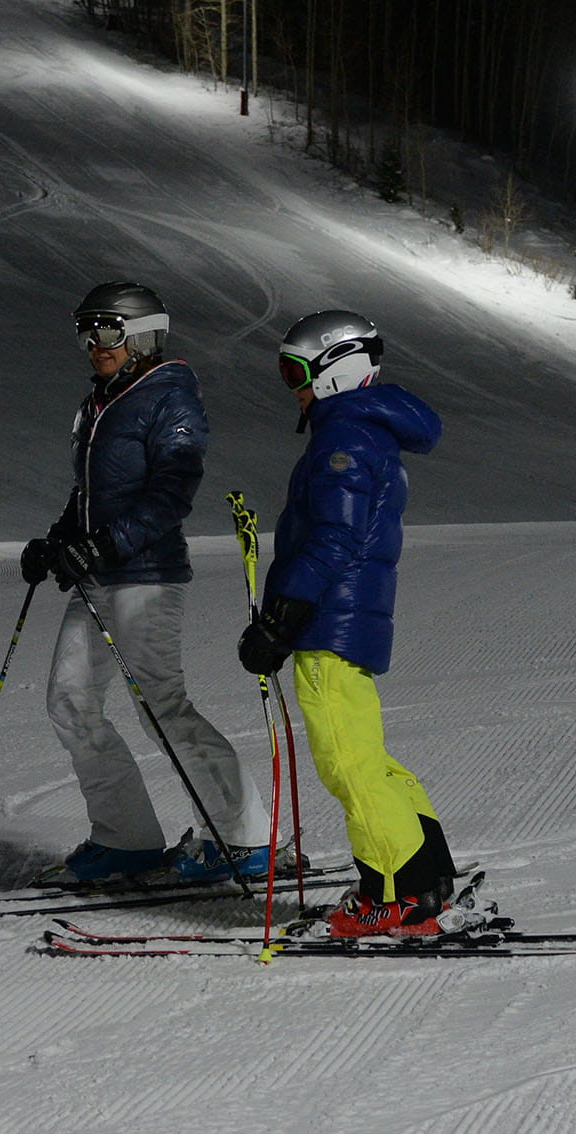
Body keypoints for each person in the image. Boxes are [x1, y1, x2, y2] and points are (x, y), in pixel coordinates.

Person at [22, 282, 272, 885]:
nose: (92, 344)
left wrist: (105, 543)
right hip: (99, 574)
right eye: (85, 331)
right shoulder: (101, 402)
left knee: (162, 707)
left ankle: (244, 839)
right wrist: (59, 540)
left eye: (106, 331)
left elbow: (171, 493)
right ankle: (127, 839)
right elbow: (93, 493)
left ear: (140, 335)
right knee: (70, 701)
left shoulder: (169, 398)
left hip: (146, 576)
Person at [236, 310, 454, 938]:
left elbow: (333, 539)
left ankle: (400, 894)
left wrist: (283, 617)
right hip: (343, 618)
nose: (293, 386)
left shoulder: (346, 438)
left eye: (297, 371)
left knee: (346, 762)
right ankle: (426, 874)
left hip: (331, 622)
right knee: (366, 756)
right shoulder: (360, 430)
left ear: (337, 369)